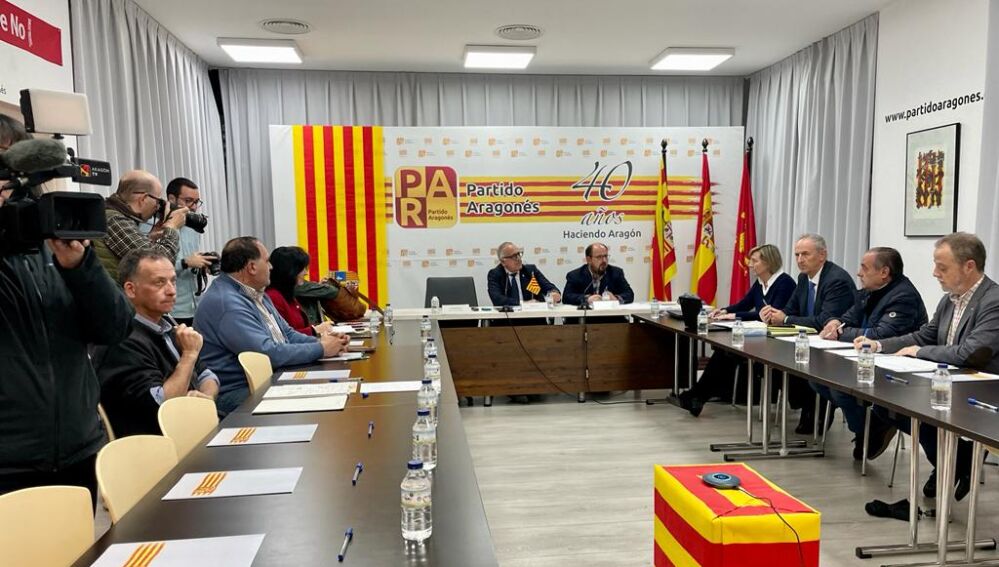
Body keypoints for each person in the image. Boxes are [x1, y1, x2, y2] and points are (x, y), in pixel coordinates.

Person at [0, 115, 133, 507]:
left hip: (77, 453)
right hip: (8, 463)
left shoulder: (51, 250)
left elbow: (115, 328)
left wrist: (80, 266)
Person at [863, 233, 999, 501]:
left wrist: (919, 352)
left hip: (981, 391)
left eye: (942, 267)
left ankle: (955, 462)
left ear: (969, 266)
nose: (935, 273)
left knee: (921, 408)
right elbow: (924, 335)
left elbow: (971, 353)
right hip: (948, 382)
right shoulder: (950, 299)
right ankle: (954, 461)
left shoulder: (993, 301)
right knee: (888, 404)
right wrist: (877, 344)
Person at [195, 237, 348, 414]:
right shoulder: (227, 303)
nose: (271, 267)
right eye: (267, 261)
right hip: (237, 392)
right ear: (252, 267)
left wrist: (326, 342)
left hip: (265, 380)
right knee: (318, 405)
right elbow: (268, 353)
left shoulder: (255, 293)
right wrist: (321, 349)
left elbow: (287, 335)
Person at [811, 247, 927, 460]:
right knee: (817, 378)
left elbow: (881, 334)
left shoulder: (903, 295)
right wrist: (835, 322)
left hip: (895, 366)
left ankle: (868, 431)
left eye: (864, 268)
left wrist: (841, 333)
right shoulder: (867, 291)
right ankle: (870, 428)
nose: (858, 273)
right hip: (865, 359)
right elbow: (848, 318)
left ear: (884, 272)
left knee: (841, 389)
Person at [94, 250, 219, 437]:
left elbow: (207, 376)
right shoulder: (122, 340)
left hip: (192, 428)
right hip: (156, 443)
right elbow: (163, 406)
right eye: (159, 283)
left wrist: (205, 398)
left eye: (173, 281)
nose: (171, 291)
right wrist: (189, 356)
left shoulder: (167, 325)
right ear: (131, 289)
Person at [678, 244, 796, 416]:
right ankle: (697, 397)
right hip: (760, 337)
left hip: (777, 342)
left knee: (727, 353)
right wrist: (724, 310)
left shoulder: (785, 283)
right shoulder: (760, 283)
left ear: (768, 263)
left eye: (754, 261)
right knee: (724, 351)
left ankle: (696, 396)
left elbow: (770, 316)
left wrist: (734, 316)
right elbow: (744, 304)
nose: (750, 265)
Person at [760, 233, 856, 433]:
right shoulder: (803, 278)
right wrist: (774, 314)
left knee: (801, 365)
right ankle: (807, 408)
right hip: (808, 342)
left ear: (822, 255)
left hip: (833, 345)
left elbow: (824, 321)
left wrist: (785, 319)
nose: (800, 260)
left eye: (805, 254)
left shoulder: (836, 280)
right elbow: (791, 309)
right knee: (770, 362)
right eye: (797, 255)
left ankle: (816, 412)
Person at [92, 170, 187, 282]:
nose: (157, 207)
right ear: (143, 199)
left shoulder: (116, 217)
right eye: (158, 201)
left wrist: (149, 237)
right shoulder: (114, 219)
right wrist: (172, 227)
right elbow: (157, 265)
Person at [166, 177, 214, 326]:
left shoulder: (194, 226)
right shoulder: (154, 226)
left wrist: (203, 263)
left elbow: (190, 258)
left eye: (196, 202)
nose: (193, 207)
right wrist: (185, 263)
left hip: (195, 306)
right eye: (188, 201)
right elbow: (152, 270)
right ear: (171, 199)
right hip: (171, 309)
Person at [266, 246, 337, 336]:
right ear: (290, 270)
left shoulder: (286, 295)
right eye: (302, 268)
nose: (306, 273)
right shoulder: (274, 297)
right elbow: (283, 336)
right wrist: (315, 330)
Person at [487, 242, 561, 306]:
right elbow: (497, 299)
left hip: (532, 316)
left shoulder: (530, 271)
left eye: (519, 254)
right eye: (514, 256)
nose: (518, 258)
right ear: (503, 262)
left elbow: (549, 287)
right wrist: (523, 304)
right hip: (508, 316)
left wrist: (553, 293)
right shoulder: (495, 274)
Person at [562, 242, 634, 305]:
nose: (604, 260)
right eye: (599, 257)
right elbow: (566, 297)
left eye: (605, 256)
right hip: (585, 315)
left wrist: (616, 298)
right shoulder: (575, 275)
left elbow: (629, 294)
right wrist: (587, 299)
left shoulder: (616, 273)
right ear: (589, 259)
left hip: (610, 314)